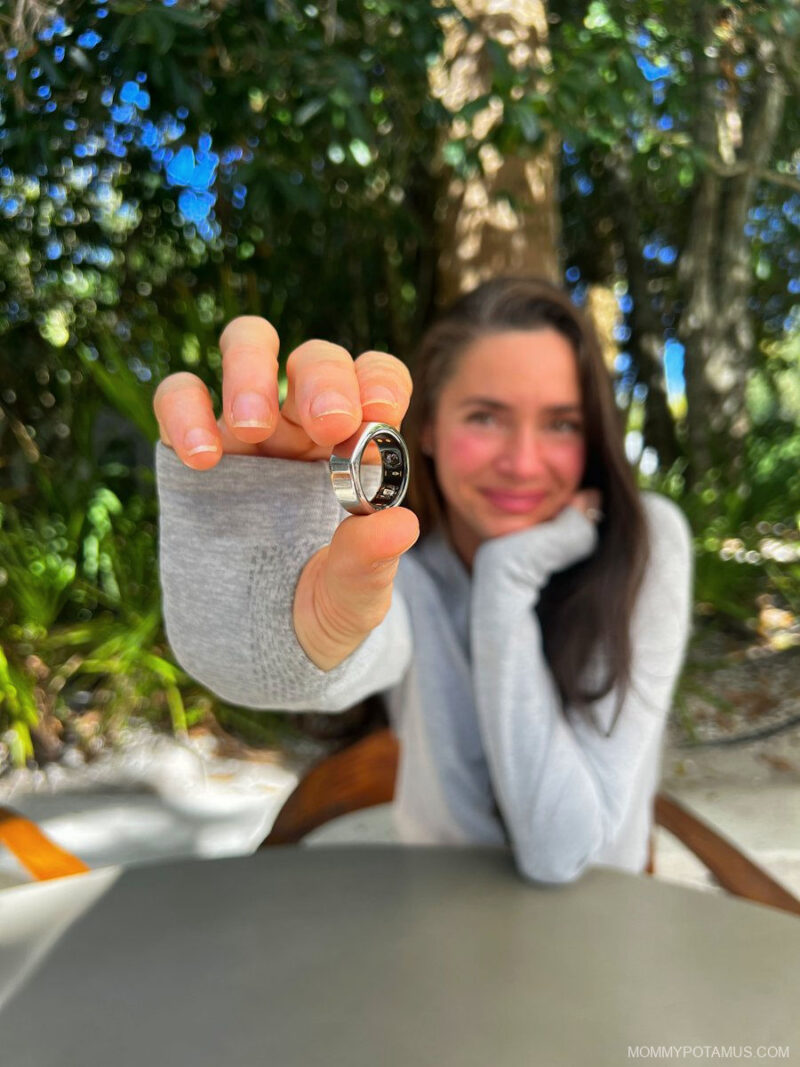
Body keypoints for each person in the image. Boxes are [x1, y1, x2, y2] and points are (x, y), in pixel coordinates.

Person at [153, 275, 693, 884]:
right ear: (429, 429)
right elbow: (346, 648)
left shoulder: (648, 543)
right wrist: (273, 619)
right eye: (486, 417)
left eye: (561, 424)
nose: (522, 461)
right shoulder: (401, 559)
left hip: (605, 931)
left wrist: (505, 578)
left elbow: (560, 849)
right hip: (435, 933)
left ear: (592, 437)